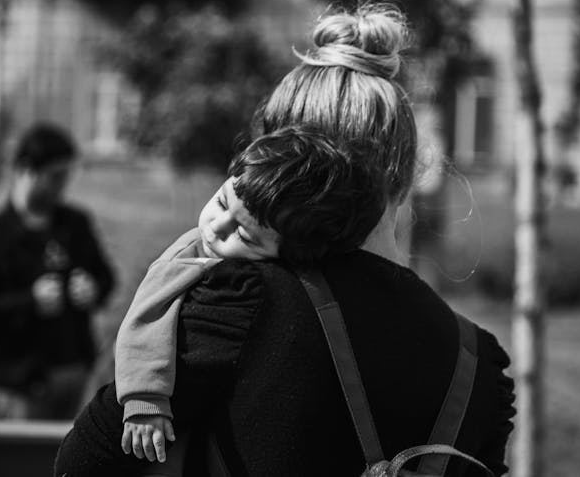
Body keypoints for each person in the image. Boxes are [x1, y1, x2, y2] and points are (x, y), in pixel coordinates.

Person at [54, 2, 515, 476]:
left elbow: (82, 465)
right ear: (403, 177)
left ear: (274, 165)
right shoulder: (478, 361)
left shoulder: (244, 301)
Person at [114, 126, 385, 463]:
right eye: (222, 201)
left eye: (241, 233)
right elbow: (146, 317)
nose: (217, 225)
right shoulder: (187, 257)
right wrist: (144, 401)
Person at [0, 123, 116, 420]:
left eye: (66, 176)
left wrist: (94, 289)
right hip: (22, 384)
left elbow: (107, 277)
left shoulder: (77, 224)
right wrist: (30, 301)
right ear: (25, 170)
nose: (62, 186)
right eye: (55, 177)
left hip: (79, 374)